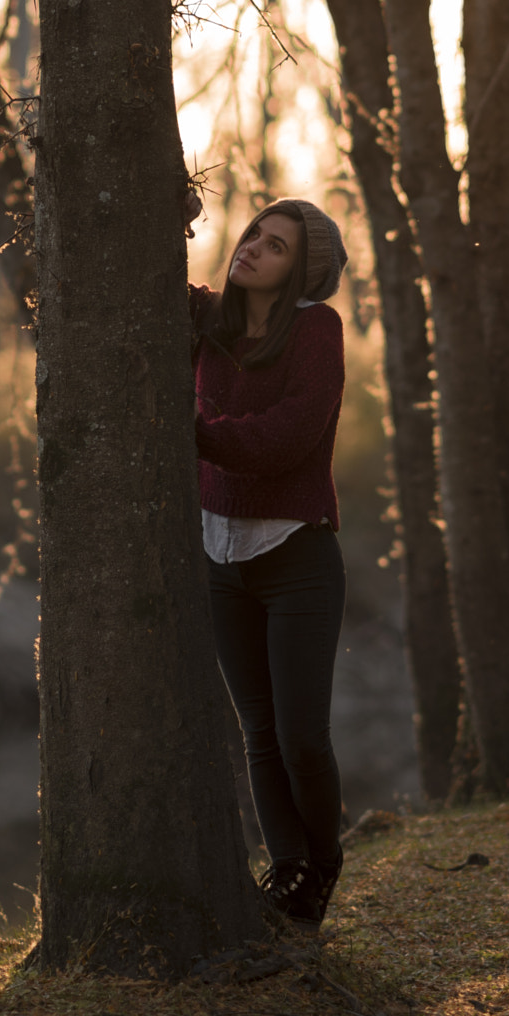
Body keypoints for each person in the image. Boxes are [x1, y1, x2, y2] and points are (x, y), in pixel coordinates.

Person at [190, 198, 349, 926]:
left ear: (303, 268)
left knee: (300, 736)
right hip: (219, 554)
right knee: (256, 732)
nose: (251, 246)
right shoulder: (210, 323)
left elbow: (289, 433)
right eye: (254, 232)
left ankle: (321, 869)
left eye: (275, 245)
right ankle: (286, 869)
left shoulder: (317, 329)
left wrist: (192, 432)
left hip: (296, 555)